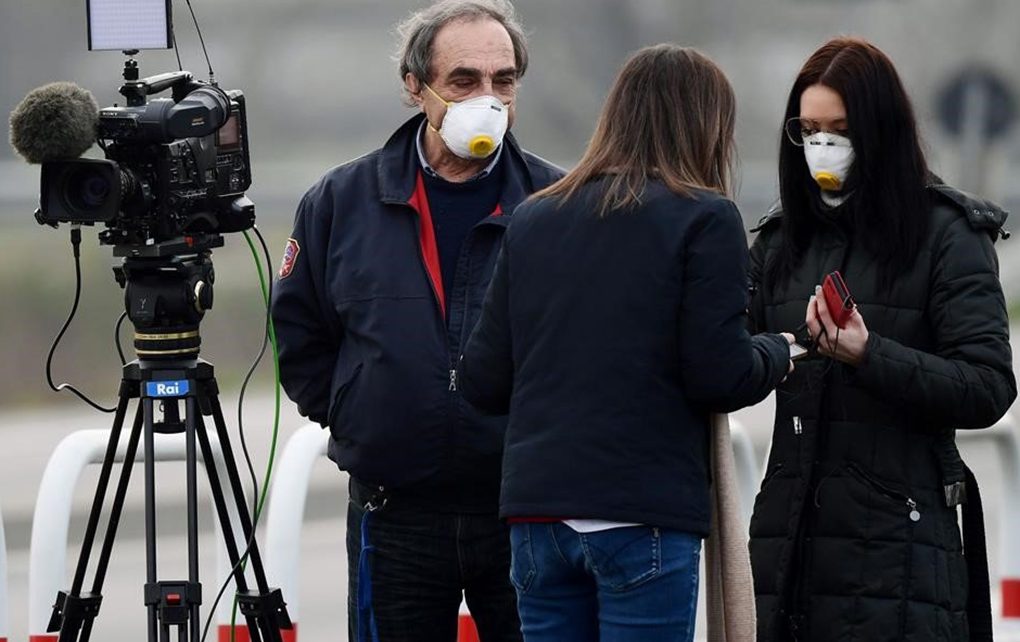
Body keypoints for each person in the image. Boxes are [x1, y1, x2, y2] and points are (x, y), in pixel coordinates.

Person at [458, 44, 794, 642]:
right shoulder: (705, 217)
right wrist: (781, 349)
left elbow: (484, 380)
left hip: (539, 514)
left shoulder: (534, 217)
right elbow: (720, 374)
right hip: (642, 513)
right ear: (706, 125)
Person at [270, 1, 563, 640]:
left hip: (525, 512)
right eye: (464, 80)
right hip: (394, 509)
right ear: (414, 85)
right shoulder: (341, 201)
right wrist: (360, 413)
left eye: (503, 80)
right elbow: (300, 332)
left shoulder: (559, 203)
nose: (488, 97)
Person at [747, 36, 1017, 642]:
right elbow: (724, 356)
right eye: (808, 127)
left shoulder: (948, 234)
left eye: (838, 128)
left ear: (880, 130)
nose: (821, 144)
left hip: (901, 553)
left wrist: (871, 355)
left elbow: (988, 385)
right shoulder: (778, 242)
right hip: (787, 548)